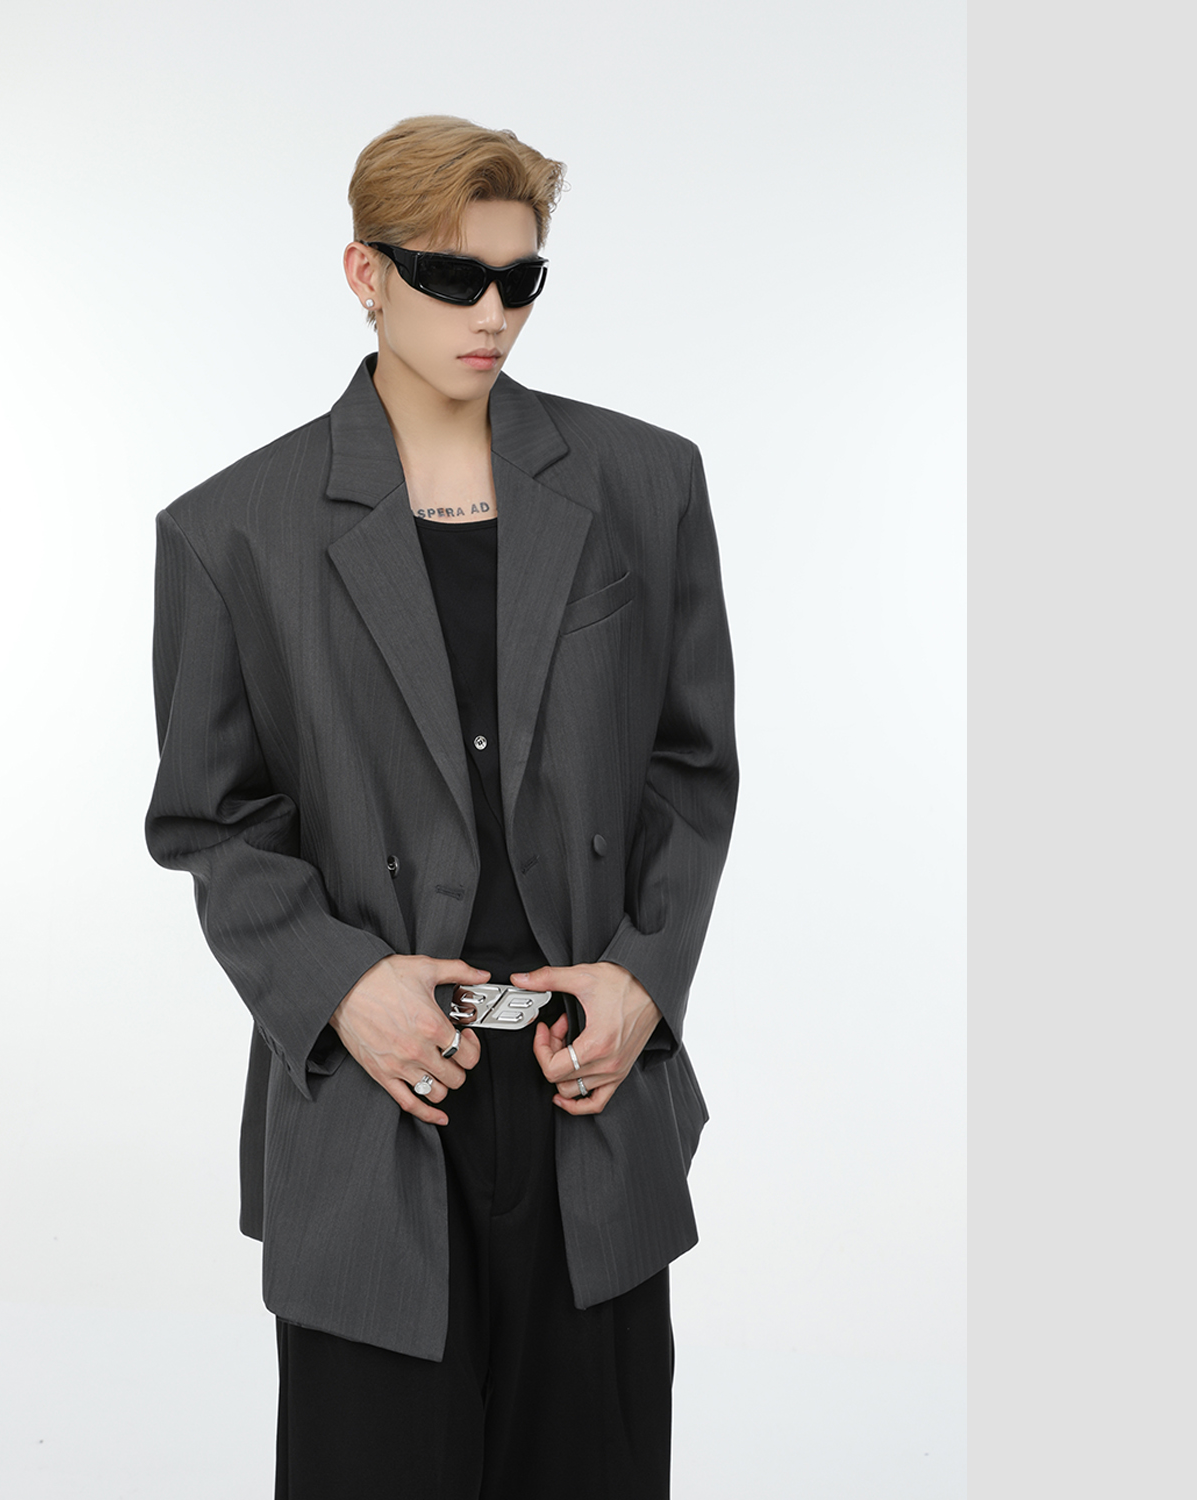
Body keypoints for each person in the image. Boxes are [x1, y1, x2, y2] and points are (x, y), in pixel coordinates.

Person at [145, 115, 739, 1500]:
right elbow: (214, 821)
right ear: (365, 273)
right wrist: (341, 987)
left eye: (520, 280)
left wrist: (647, 978)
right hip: (373, 1103)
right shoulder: (232, 531)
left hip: (588, 1086)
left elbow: (690, 764)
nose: (492, 315)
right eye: (453, 277)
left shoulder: (644, 484)